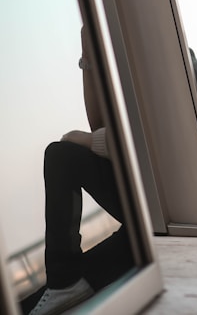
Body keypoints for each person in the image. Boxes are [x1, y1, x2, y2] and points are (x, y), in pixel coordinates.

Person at [27, 28, 133, 315]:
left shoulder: (148, 60)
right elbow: (99, 124)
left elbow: (144, 141)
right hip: (139, 220)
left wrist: (86, 140)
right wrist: (88, 58)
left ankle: (63, 279)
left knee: (61, 155)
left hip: (158, 213)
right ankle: (64, 280)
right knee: (35, 300)